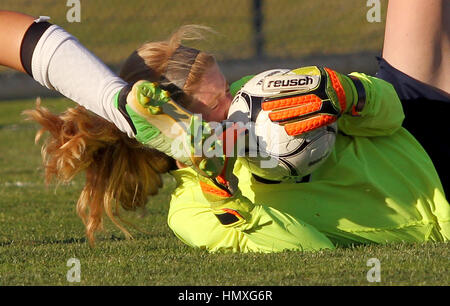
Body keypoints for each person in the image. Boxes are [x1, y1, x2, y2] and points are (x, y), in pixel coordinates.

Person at [0, 1, 448, 252]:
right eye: (222, 107)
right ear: (178, 130)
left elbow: (391, 115)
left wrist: (351, 93)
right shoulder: (193, 211)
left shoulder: (257, 93)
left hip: (416, 120)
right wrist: (226, 196)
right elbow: (309, 248)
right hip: (433, 204)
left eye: (234, 90)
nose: (241, 104)